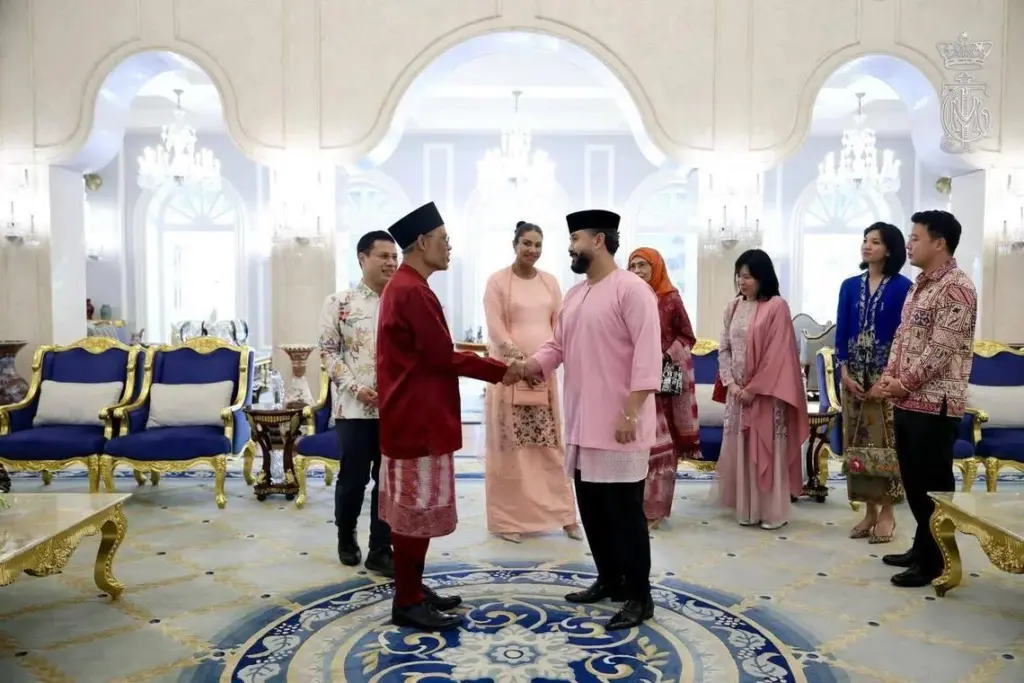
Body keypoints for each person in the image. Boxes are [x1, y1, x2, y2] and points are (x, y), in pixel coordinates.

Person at [517, 209, 662, 631]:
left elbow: (647, 357)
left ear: (598, 240)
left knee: (625, 514)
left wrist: (631, 411)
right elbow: (556, 346)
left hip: (621, 423)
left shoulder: (632, 290)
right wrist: (526, 366)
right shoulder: (576, 294)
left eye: (575, 238)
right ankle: (608, 578)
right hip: (583, 422)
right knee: (593, 510)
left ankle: (639, 595)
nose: (570, 247)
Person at [376, 201, 517, 631]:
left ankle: (414, 589)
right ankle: (407, 601)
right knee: (414, 513)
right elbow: (442, 356)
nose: (450, 248)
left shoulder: (407, 286)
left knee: (413, 511)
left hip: (414, 413)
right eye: (444, 240)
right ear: (422, 242)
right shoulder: (411, 290)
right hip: (417, 417)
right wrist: (504, 370)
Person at [877, 210, 977, 588]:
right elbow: (903, 337)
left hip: (934, 403)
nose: (909, 244)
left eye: (916, 237)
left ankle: (935, 562)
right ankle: (922, 548)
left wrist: (904, 382)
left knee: (932, 487)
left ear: (940, 242)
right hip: (907, 399)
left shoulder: (957, 288)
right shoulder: (921, 284)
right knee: (914, 483)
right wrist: (891, 377)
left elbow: (940, 350)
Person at [483, 221, 582, 543]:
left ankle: (565, 516)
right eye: (527, 243)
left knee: (549, 447)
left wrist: (540, 363)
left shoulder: (551, 283)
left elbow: (560, 326)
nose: (532, 250)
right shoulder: (497, 282)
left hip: (543, 375)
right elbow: (497, 330)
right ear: (515, 244)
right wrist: (521, 363)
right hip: (510, 376)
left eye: (538, 245)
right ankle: (509, 519)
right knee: (512, 449)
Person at [317, 230, 398, 576]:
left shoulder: (403, 301)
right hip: (354, 408)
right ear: (362, 258)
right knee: (352, 477)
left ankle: (381, 547)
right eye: (383, 256)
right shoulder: (339, 302)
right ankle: (346, 534)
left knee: (388, 479)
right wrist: (353, 387)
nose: (391, 263)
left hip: (396, 408)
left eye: (394, 257)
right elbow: (328, 352)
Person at [712, 249, 809, 530]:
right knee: (741, 447)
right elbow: (725, 348)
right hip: (737, 394)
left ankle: (771, 510)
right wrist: (731, 384)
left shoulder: (777, 306)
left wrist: (753, 389)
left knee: (766, 448)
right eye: (740, 276)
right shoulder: (733, 307)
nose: (743, 282)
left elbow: (777, 355)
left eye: (749, 276)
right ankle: (748, 507)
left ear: (762, 277)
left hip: (766, 395)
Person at [834, 223, 913, 544]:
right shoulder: (849, 286)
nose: (867, 246)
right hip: (854, 378)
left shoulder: (904, 288)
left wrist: (888, 378)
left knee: (886, 448)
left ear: (889, 249)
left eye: (875, 242)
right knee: (859, 446)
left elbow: (905, 338)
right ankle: (868, 511)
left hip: (887, 381)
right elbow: (842, 330)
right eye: (865, 240)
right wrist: (843, 371)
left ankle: (888, 514)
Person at [627, 247, 700, 529]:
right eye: (632, 265)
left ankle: (655, 510)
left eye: (643, 265)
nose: (637, 271)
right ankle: (633, 507)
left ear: (656, 267)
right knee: (636, 445)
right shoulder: (627, 297)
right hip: (632, 378)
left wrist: (665, 356)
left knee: (662, 449)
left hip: (664, 380)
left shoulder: (670, 298)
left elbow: (687, 336)